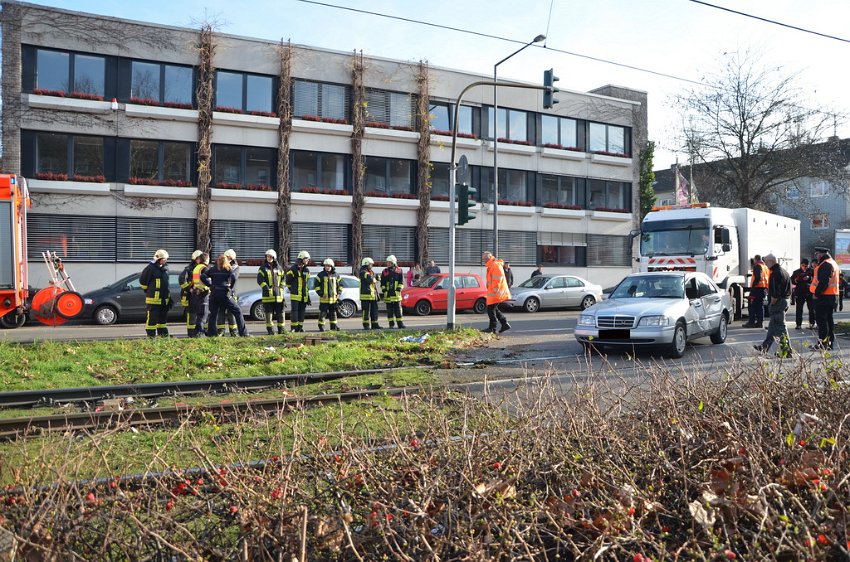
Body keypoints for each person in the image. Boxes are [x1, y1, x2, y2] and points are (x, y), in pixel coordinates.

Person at [753, 254, 792, 357]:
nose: (765, 264)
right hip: (785, 300)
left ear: (771, 261)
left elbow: (776, 289)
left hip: (778, 302)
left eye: (766, 262)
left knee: (780, 326)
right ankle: (764, 347)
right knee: (773, 326)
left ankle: (786, 351)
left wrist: (773, 300)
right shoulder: (784, 271)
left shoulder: (775, 273)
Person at [203, 255, 249, 337]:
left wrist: (209, 284)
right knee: (238, 311)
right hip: (224, 293)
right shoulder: (228, 269)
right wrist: (230, 287)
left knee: (213, 314)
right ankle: (244, 333)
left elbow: (203, 276)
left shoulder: (213, 269)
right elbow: (234, 277)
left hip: (214, 293)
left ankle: (212, 334)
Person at [810, 246, 839, 350]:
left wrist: (816, 294)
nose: (816, 256)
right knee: (829, 321)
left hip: (824, 297)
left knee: (822, 322)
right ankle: (830, 343)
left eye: (817, 254)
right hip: (832, 296)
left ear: (821, 254)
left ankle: (822, 344)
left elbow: (824, 282)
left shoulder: (825, 264)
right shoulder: (833, 263)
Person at [139, 249, 171, 338]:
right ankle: (151, 336)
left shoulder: (165, 268)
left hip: (164, 300)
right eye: (164, 259)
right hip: (153, 300)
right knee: (152, 319)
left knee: (162, 320)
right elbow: (143, 282)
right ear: (159, 259)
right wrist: (150, 291)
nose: (166, 261)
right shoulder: (150, 268)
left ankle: (163, 336)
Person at [482, 250, 511, 334]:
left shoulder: (495, 265)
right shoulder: (492, 265)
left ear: (489, 257)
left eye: (485, 259)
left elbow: (497, 280)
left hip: (495, 293)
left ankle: (492, 328)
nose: (484, 261)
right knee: (494, 309)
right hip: (495, 292)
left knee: (491, 310)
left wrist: (494, 291)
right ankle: (504, 323)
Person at [257, 249, 285, 335]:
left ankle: (282, 330)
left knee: (280, 313)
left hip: (278, 296)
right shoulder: (263, 268)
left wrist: (281, 287)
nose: (269, 258)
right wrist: (266, 288)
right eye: (267, 257)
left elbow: (283, 279)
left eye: (270, 257)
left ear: (274, 257)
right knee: (269, 314)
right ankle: (270, 330)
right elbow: (260, 280)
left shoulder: (279, 268)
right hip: (268, 296)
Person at [216, 249, 241, 336]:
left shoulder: (235, 267)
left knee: (231, 313)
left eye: (230, 258)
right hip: (221, 292)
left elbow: (233, 278)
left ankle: (233, 331)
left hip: (231, 292)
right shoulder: (220, 266)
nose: (229, 260)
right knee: (221, 311)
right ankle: (221, 331)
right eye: (227, 258)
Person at [179, 250, 204, 336]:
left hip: (200, 295)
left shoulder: (202, 268)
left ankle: (200, 333)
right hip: (191, 296)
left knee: (201, 314)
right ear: (195, 259)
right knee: (192, 315)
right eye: (199, 258)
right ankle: (192, 334)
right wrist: (190, 289)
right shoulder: (189, 269)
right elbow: (182, 281)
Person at [286, 250, 311, 332]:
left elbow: (306, 283)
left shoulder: (307, 270)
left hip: (304, 296)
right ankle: (294, 328)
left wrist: (307, 295)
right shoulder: (293, 269)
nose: (308, 260)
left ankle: (300, 327)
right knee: (294, 312)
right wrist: (293, 290)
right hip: (295, 295)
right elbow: (288, 282)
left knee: (302, 312)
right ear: (301, 259)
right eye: (306, 259)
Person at [188, 252, 211, 338]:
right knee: (203, 315)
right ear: (206, 259)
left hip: (196, 293)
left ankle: (197, 332)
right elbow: (207, 281)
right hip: (203, 293)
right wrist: (211, 285)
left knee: (199, 314)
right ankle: (199, 333)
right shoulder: (204, 268)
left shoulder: (196, 268)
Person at [316, 258, 342, 332]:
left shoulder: (336, 275)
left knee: (333, 313)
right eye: (325, 266)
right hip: (324, 299)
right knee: (323, 314)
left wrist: (339, 293)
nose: (327, 267)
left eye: (328, 266)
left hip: (333, 299)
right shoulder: (320, 275)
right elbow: (316, 286)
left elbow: (340, 285)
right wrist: (321, 294)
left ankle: (334, 326)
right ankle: (321, 326)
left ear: (332, 266)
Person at [381, 255, 406, 329]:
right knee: (389, 311)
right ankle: (391, 324)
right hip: (388, 295)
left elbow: (401, 282)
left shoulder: (399, 270)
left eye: (389, 262)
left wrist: (398, 290)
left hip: (396, 295)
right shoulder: (385, 271)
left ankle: (400, 324)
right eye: (387, 262)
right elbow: (383, 283)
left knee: (398, 310)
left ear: (393, 262)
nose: (387, 264)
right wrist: (384, 291)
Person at [743, 254, 768, 328]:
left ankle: (751, 322)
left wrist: (753, 285)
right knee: (760, 306)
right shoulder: (765, 267)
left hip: (756, 289)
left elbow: (758, 277)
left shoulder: (757, 266)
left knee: (752, 306)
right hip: (763, 289)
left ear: (756, 259)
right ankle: (760, 323)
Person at [791, 258, 815, 330]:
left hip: (809, 292)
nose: (804, 267)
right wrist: (796, 279)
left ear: (808, 265)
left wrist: (809, 278)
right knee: (799, 309)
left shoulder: (812, 271)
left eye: (806, 266)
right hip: (800, 292)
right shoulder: (796, 272)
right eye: (803, 265)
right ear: (801, 265)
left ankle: (812, 323)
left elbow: (815, 279)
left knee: (811, 308)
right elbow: (792, 280)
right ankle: (798, 324)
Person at [359, 257, 381, 330]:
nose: (371, 266)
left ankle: (375, 324)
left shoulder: (371, 272)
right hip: (365, 296)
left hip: (373, 295)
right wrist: (376, 278)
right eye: (370, 264)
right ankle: (366, 325)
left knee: (374, 310)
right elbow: (370, 280)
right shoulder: (363, 272)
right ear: (366, 264)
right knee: (366, 311)